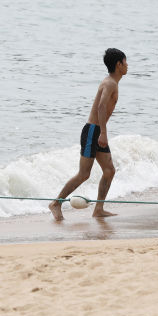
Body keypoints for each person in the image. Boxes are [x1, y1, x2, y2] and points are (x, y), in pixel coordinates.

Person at [49, 48, 128, 221]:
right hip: (93, 131)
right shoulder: (110, 83)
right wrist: (103, 133)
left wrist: (103, 132)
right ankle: (56, 203)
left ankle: (98, 209)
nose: (127, 65)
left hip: (97, 131)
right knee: (84, 174)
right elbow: (101, 106)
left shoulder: (112, 83)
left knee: (109, 170)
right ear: (118, 64)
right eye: (125, 62)